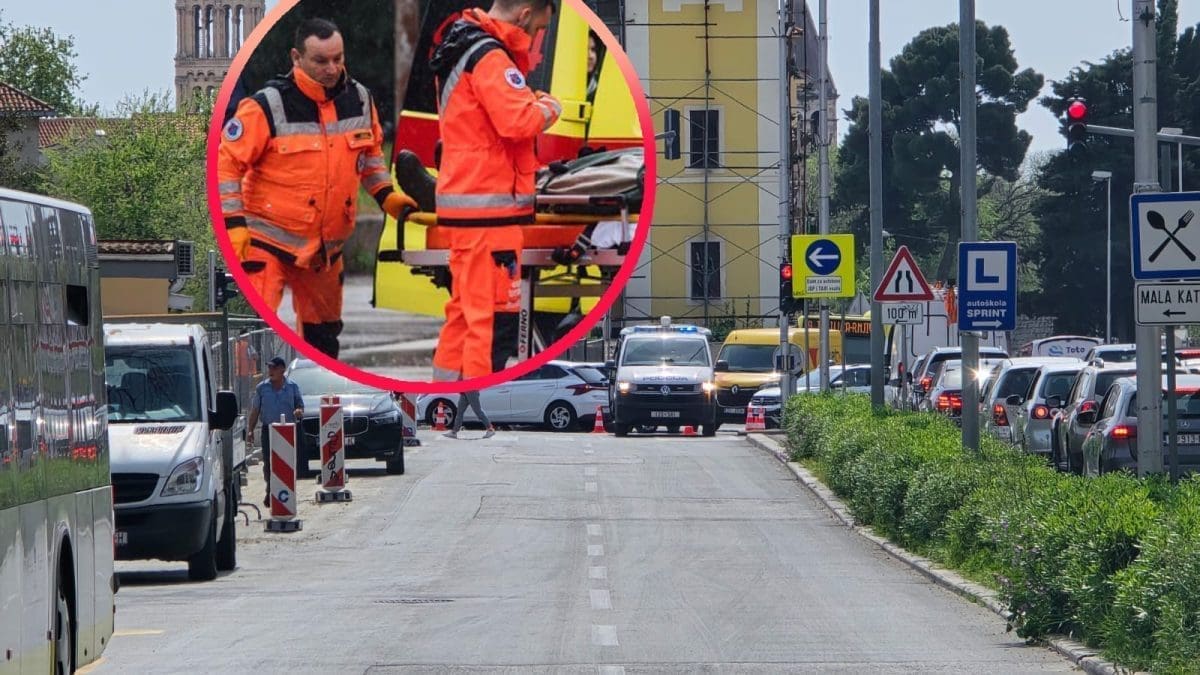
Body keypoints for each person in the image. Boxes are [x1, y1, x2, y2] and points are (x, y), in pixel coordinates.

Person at [218, 18, 417, 359]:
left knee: (324, 338)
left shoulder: (358, 99)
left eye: (338, 59)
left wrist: (386, 194)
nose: (332, 68)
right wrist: (235, 225)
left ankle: (318, 399)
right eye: (321, 61)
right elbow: (227, 163)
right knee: (250, 336)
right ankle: (244, 401)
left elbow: (368, 157)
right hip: (267, 243)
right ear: (297, 58)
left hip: (324, 251)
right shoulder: (267, 105)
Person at [428, 0, 562, 381]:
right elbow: (517, 121)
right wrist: (550, 106)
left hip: (472, 207)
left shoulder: (464, 45)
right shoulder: (489, 56)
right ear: (523, 15)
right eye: (537, 28)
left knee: (465, 314)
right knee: (490, 321)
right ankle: (474, 405)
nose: (535, 37)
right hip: (489, 212)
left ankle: (446, 400)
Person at [247, 356, 305, 507]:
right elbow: (255, 410)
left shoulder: (293, 387)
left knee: (288, 463)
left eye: (274, 368)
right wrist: (250, 430)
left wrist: (298, 411)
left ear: (282, 370)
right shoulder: (262, 388)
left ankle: (287, 494)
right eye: (269, 368)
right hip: (269, 430)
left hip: (287, 432)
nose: (270, 371)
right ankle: (271, 489)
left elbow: (299, 405)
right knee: (268, 462)